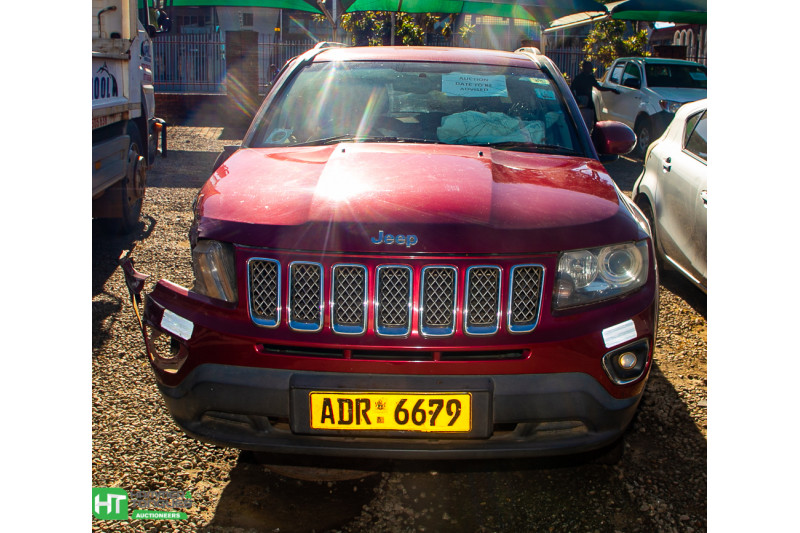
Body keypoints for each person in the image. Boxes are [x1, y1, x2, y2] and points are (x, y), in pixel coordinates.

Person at [570, 60, 618, 129]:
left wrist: (611, 89)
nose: (591, 69)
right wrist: (576, 99)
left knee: (591, 122)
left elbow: (599, 88)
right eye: (589, 67)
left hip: (589, 104)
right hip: (582, 105)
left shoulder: (591, 78)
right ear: (584, 68)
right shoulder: (578, 78)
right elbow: (571, 89)